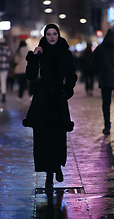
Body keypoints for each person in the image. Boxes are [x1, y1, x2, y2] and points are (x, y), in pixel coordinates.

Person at [22, 24, 77, 188]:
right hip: (42, 99)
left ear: (58, 35)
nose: (52, 37)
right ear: (45, 36)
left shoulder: (65, 54)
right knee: (43, 136)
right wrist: (34, 56)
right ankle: (49, 175)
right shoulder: (40, 52)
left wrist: (67, 90)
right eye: (48, 34)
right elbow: (30, 75)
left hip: (58, 99)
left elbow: (71, 74)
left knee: (58, 135)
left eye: (54, 34)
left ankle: (56, 168)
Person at [0, 37, 11, 102]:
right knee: (3, 81)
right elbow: (9, 57)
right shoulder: (6, 49)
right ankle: (3, 96)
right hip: (4, 67)